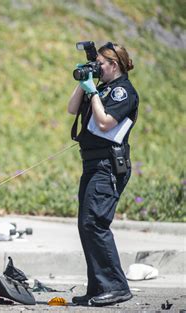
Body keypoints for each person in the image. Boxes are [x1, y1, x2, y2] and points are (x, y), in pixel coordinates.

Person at [68, 42, 139, 306]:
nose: (97, 67)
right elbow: (72, 109)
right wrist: (83, 81)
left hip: (108, 165)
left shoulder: (123, 92)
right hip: (92, 164)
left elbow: (105, 122)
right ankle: (98, 287)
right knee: (86, 225)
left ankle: (116, 286)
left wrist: (93, 93)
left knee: (95, 224)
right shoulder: (102, 87)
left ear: (114, 64)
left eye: (100, 63)